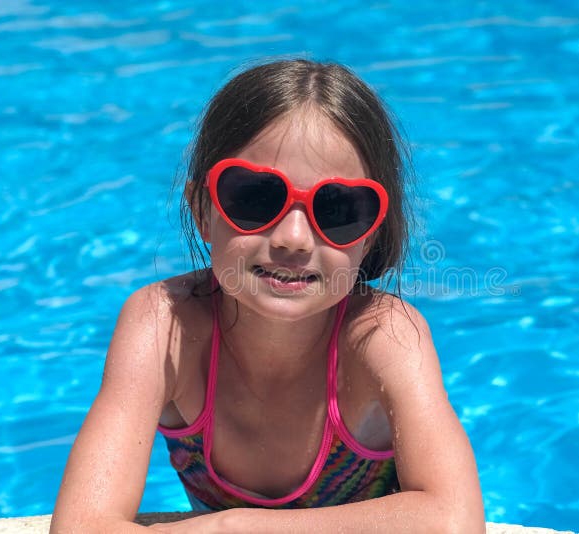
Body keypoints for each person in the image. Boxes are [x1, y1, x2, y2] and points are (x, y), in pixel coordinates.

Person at [51, 58, 485, 533]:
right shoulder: (164, 326)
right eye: (257, 198)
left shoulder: (383, 335)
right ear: (202, 210)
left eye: (336, 208)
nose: (294, 238)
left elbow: (455, 521)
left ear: (370, 235)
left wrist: (233, 527)